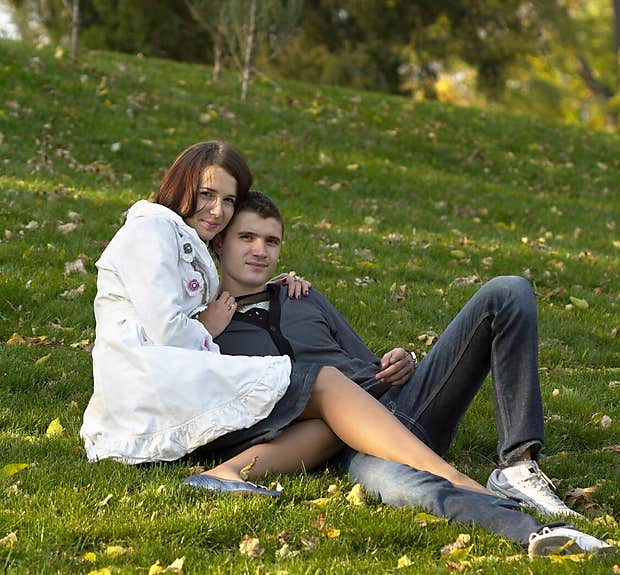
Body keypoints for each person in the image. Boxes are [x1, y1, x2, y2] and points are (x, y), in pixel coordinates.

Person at [210, 190, 617, 556]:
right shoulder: (204, 331)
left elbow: (368, 363)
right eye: (247, 238)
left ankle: (517, 465)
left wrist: (402, 361)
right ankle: (540, 533)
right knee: (410, 488)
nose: (260, 250)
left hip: (403, 404)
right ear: (220, 243)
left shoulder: (303, 297)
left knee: (508, 290)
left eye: (271, 241)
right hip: (346, 446)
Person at [80, 141, 492, 500]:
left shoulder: (188, 243)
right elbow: (170, 330)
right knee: (321, 385)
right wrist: (210, 325)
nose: (217, 210)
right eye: (207, 194)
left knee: (324, 403)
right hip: (151, 384)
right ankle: (452, 478)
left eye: (228, 200)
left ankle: (224, 475)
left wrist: (266, 287)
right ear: (180, 184)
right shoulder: (151, 230)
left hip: (169, 377)